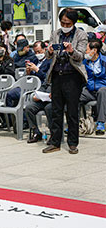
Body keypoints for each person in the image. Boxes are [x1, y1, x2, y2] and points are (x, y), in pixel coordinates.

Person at [43, 8, 88, 154]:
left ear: (73, 23)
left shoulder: (81, 34)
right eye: (62, 22)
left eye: (67, 23)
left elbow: (81, 56)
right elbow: (48, 56)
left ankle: (73, 143)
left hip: (72, 76)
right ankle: (55, 141)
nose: (64, 25)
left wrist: (71, 51)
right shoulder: (55, 33)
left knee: (72, 111)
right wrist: (49, 51)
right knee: (56, 110)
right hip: (57, 75)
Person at [22, 41, 53, 143]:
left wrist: (37, 70)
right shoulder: (34, 59)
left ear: (45, 49)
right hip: (40, 91)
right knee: (29, 108)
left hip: (51, 94)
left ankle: (53, 134)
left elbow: (48, 78)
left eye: (39, 51)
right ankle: (36, 132)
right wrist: (29, 72)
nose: (37, 54)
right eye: (35, 52)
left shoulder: (50, 61)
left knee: (49, 108)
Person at [80, 39, 106, 135]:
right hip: (89, 90)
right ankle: (76, 123)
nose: (85, 52)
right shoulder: (85, 62)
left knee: (102, 92)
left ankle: (101, 122)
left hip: (103, 89)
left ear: (94, 51)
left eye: (86, 50)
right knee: (75, 96)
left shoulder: (104, 61)